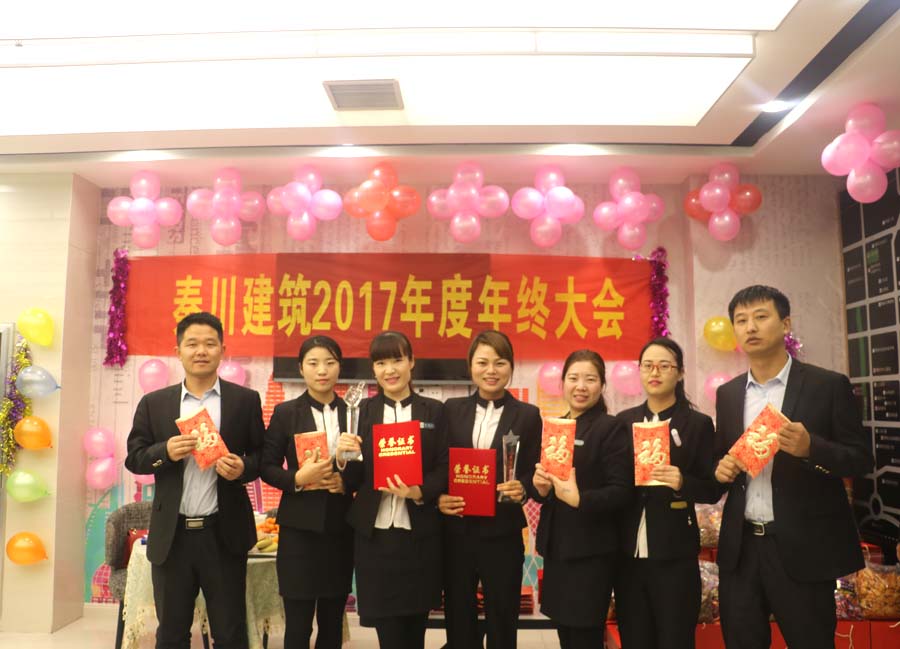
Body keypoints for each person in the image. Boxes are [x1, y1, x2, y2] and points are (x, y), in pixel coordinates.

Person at [713, 285, 873, 648]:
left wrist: (811, 448)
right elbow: (722, 459)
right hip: (741, 551)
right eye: (741, 320)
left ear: (785, 324)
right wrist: (719, 470)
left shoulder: (827, 385)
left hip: (804, 548)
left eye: (761, 316)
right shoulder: (729, 393)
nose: (750, 327)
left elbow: (860, 458)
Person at [125, 312, 264, 649]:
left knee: (230, 634)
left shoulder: (245, 401)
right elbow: (135, 457)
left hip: (224, 534)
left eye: (210, 344)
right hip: (173, 537)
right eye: (192, 344)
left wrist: (242, 468)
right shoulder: (155, 403)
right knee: (171, 635)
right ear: (178, 351)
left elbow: (263, 457)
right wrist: (165, 451)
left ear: (222, 350)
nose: (201, 351)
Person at [337, 331, 448, 649]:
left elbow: (445, 466)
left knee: (415, 631)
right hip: (375, 537)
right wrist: (343, 458)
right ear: (373, 369)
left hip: (419, 535)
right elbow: (353, 479)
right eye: (381, 363)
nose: (390, 370)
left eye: (397, 360)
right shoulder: (360, 411)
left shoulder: (434, 411)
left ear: (411, 362)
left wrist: (418, 491)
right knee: (387, 634)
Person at [614, 337, 720, 649]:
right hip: (628, 555)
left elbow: (712, 489)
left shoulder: (697, 424)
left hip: (675, 553)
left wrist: (682, 482)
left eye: (664, 366)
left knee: (675, 639)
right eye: (648, 366)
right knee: (634, 639)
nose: (655, 372)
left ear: (680, 372)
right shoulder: (623, 421)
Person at [438, 330, 542, 649]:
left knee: (503, 614)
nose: (491, 370)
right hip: (456, 531)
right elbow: (440, 462)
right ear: (470, 366)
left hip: (503, 531)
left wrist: (523, 487)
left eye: (500, 362)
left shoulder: (528, 415)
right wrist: (439, 498)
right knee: (459, 613)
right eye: (482, 362)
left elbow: (534, 469)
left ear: (511, 366)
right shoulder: (451, 409)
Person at [531, 349, 631, 649]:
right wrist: (541, 488)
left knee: (585, 636)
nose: (581, 386)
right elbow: (550, 489)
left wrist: (580, 499)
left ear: (602, 385)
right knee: (565, 633)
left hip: (591, 553)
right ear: (562, 383)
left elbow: (621, 491)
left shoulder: (611, 427)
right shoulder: (557, 427)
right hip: (558, 549)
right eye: (573, 378)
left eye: (590, 379)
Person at [260, 335, 352, 649]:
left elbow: (366, 466)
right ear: (301, 368)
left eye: (329, 362)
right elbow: (267, 466)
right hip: (299, 532)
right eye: (313, 363)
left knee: (331, 624)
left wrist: (345, 482)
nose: (322, 370)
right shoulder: (286, 412)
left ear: (339, 366)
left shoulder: (354, 412)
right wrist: (297, 478)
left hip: (341, 530)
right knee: (298, 627)